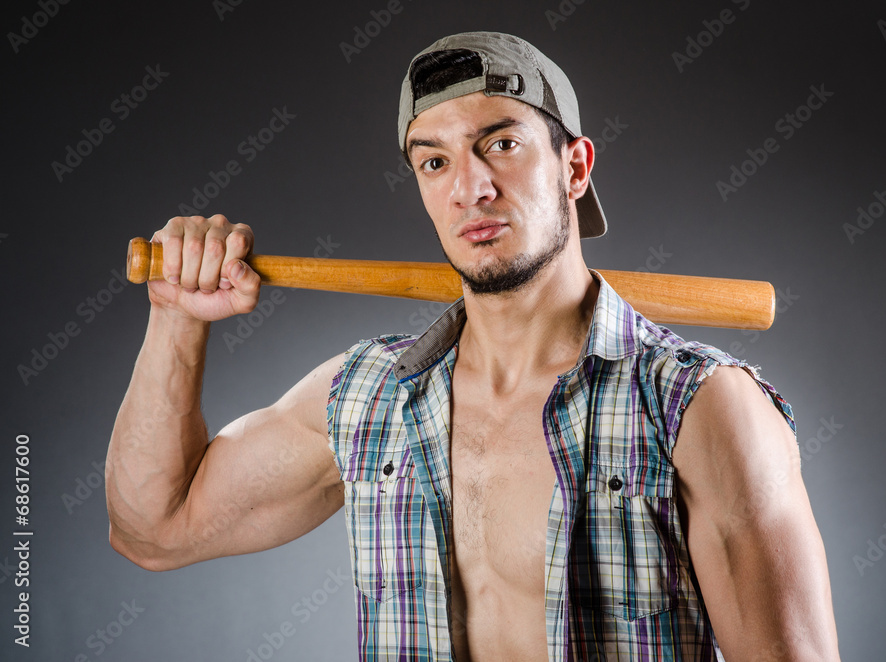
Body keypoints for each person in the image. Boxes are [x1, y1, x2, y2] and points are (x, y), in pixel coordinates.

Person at [106, 32, 840, 661]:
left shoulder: (697, 408)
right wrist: (176, 319)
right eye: (435, 162)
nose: (471, 188)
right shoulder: (368, 399)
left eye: (502, 144)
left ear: (575, 168)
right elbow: (153, 532)